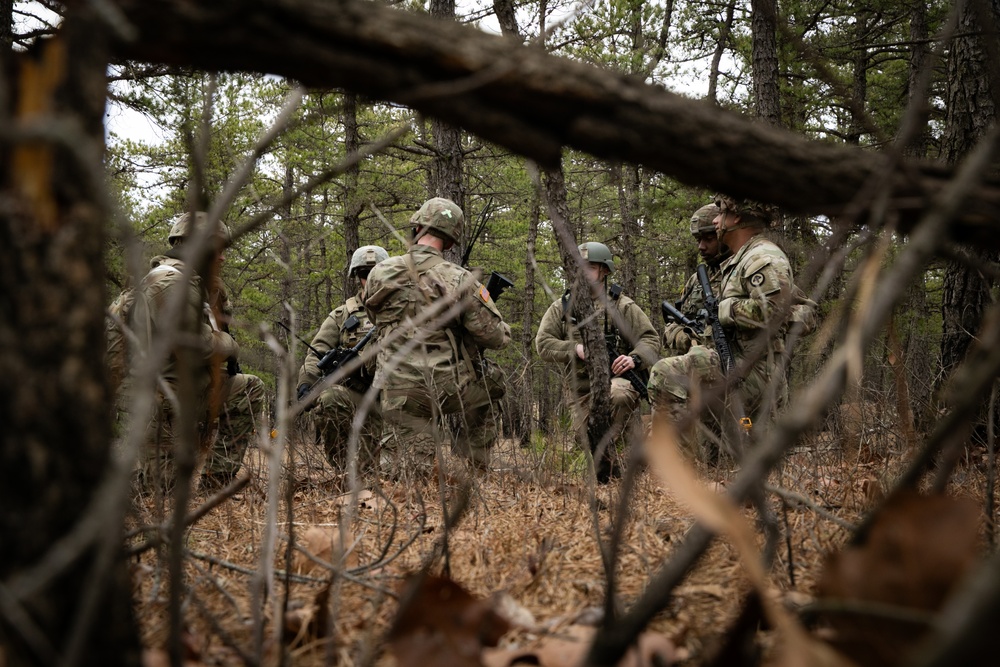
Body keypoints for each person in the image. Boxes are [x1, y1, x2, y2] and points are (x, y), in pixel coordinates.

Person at [648, 196, 813, 457]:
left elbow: (782, 310)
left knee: (666, 374)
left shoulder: (761, 257)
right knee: (720, 457)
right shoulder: (735, 263)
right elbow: (676, 321)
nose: (716, 221)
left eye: (721, 214)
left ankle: (678, 473)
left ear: (736, 218)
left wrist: (724, 310)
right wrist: (689, 335)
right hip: (726, 365)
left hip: (751, 370)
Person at [363, 197, 510, 479]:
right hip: (447, 387)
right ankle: (476, 465)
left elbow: (374, 319)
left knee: (405, 480)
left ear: (416, 228)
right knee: (494, 382)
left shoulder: (378, 273)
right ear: (452, 243)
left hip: (397, 388)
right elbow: (494, 338)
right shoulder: (459, 278)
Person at [131, 211, 265, 493]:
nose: (222, 258)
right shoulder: (167, 283)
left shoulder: (194, 285)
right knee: (159, 494)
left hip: (188, 394)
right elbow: (194, 347)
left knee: (249, 388)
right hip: (160, 404)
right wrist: (231, 346)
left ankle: (216, 485)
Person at [535, 242, 659, 482]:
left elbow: (650, 339)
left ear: (604, 270)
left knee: (618, 396)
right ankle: (606, 459)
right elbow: (543, 344)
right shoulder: (561, 308)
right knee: (586, 439)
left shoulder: (622, 306)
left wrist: (633, 359)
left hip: (618, 382)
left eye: (590, 267)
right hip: (581, 390)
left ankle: (622, 459)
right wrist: (575, 348)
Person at [296, 245, 388, 472]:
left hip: (394, 391)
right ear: (358, 278)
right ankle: (342, 468)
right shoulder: (342, 315)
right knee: (329, 398)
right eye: (365, 274)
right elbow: (317, 351)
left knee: (381, 467)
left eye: (375, 272)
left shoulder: (401, 309)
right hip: (355, 393)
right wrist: (307, 382)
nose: (370, 279)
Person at [661, 203, 728, 356]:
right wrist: (683, 337)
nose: (701, 246)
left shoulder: (741, 272)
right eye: (698, 240)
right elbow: (671, 327)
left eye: (709, 239)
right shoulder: (696, 280)